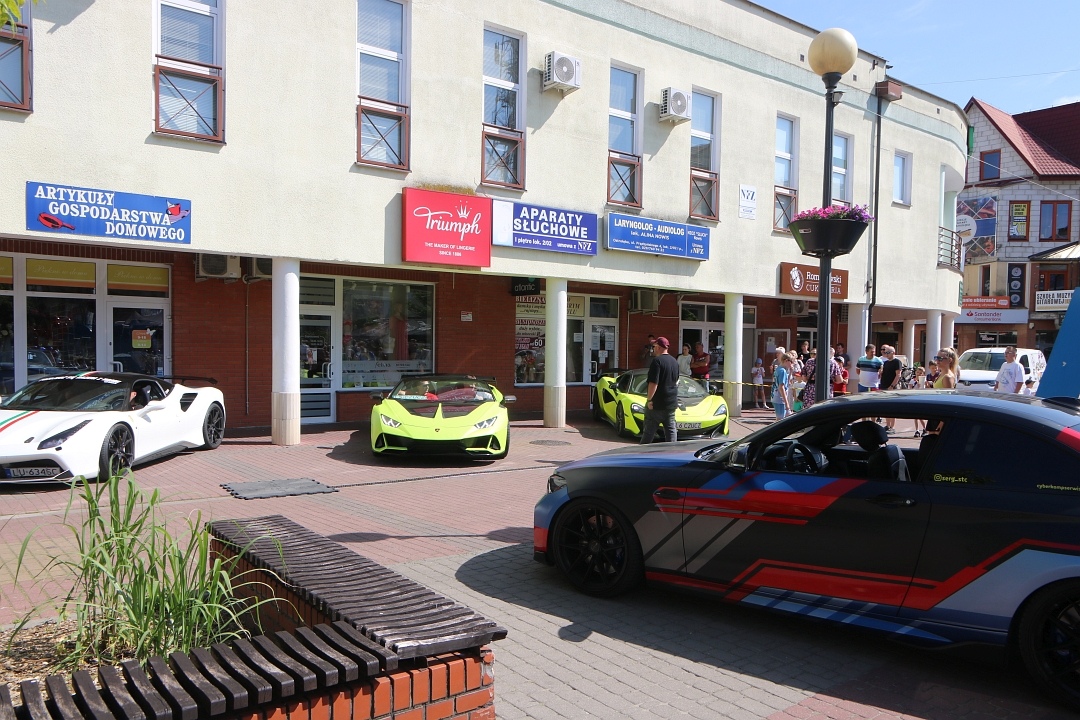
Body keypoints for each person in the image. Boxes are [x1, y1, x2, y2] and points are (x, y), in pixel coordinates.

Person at [641, 336, 679, 444]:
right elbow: (676, 381)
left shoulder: (657, 361)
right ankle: (672, 452)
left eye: (654, 346)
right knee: (671, 430)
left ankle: (641, 454)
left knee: (649, 432)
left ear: (658, 347)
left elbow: (654, 383)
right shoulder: (674, 362)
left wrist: (649, 400)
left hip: (657, 403)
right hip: (671, 402)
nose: (653, 349)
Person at [879, 346, 903, 433]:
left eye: (888, 352)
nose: (886, 354)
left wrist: (892, 386)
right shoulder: (886, 363)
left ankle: (892, 426)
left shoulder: (897, 362)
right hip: (884, 386)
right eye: (885, 352)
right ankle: (888, 425)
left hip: (892, 387)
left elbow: (898, 375)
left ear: (893, 352)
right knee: (885, 407)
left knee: (891, 408)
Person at [772, 355, 793, 420]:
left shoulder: (778, 369)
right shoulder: (782, 371)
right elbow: (781, 387)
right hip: (780, 399)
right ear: (786, 360)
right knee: (780, 420)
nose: (792, 364)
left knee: (780, 419)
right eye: (791, 362)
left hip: (775, 397)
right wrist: (787, 403)